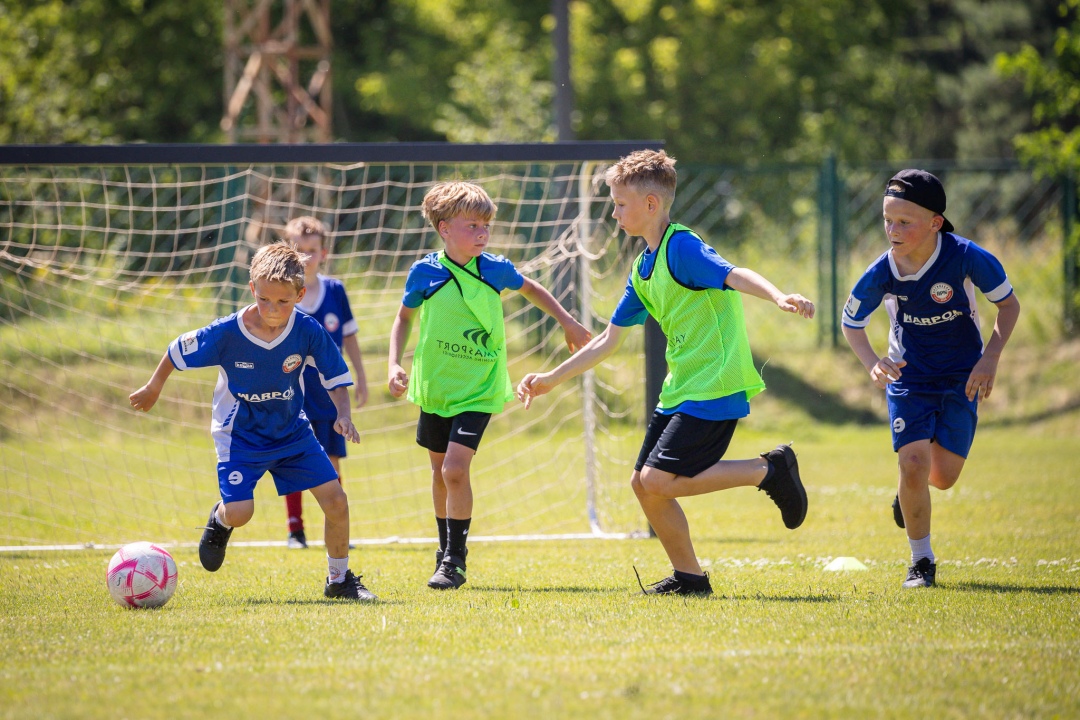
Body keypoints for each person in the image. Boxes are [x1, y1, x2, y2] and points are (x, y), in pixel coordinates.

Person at [516, 149, 815, 596]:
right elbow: (607, 340)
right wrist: (549, 380)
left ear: (650, 205)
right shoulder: (643, 267)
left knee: (657, 480)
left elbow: (734, 274)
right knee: (644, 486)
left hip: (715, 384)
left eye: (620, 204)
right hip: (680, 390)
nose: (614, 213)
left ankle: (767, 470)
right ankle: (691, 579)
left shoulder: (683, 247)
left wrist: (777, 296)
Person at [129, 242, 377, 601]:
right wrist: (154, 386)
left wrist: (344, 414)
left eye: (283, 302)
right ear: (252, 290)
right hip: (240, 436)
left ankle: (339, 581)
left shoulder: (307, 330)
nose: (273, 310)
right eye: (264, 300)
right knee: (241, 513)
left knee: (336, 499)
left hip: (292, 432)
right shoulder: (227, 332)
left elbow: (335, 376)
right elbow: (176, 350)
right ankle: (220, 519)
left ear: (300, 295)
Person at [388, 180, 592, 590]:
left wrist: (567, 321)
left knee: (455, 470)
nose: (482, 233)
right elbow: (404, 317)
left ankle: (455, 561)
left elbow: (532, 289)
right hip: (436, 387)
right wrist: (393, 362)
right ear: (444, 228)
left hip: (479, 388)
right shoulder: (425, 272)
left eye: (486, 226)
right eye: (472, 226)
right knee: (438, 473)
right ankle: (445, 549)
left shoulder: (495, 268)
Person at [841, 169, 1020, 589]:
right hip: (909, 377)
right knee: (914, 463)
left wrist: (990, 358)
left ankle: (911, 488)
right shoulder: (881, 271)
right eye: (887, 219)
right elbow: (851, 323)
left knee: (942, 477)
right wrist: (872, 361)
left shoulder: (967, 256)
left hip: (963, 376)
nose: (892, 230)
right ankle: (921, 562)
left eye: (905, 221)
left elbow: (1009, 307)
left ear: (935, 222)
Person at [280, 216, 368, 550]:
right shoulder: (284, 295)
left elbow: (350, 336)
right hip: (292, 395)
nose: (305, 257)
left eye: (312, 250)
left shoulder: (335, 291)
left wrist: (360, 377)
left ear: (324, 253)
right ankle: (295, 531)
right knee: (292, 459)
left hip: (331, 396)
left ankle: (337, 527)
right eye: (298, 250)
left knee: (330, 461)